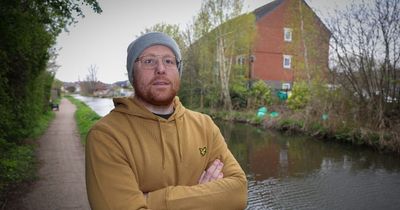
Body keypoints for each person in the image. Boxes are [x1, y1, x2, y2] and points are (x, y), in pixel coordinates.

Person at [85, 32, 248, 210]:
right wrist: (205, 194)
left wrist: (149, 201)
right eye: (149, 61)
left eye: (169, 61)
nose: (161, 69)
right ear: (132, 73)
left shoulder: (205, 125)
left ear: (178, 70)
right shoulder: (106, 136)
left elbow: (239, 191)